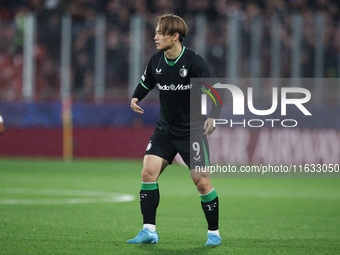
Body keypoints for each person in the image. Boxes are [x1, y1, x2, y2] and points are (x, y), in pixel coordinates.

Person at [127, 14, 221, 246]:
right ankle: (149, 230)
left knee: (201, 182)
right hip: (165, 131)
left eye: (160, 32)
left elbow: (218, 91)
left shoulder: (194, 61)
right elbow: (146, 82)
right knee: (148, 172)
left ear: (175, 36)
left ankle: (214, 233)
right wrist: (136, 97)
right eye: (156, 31)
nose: (155, 36)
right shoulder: (156, 61)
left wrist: (213, 116)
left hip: (193, 132)